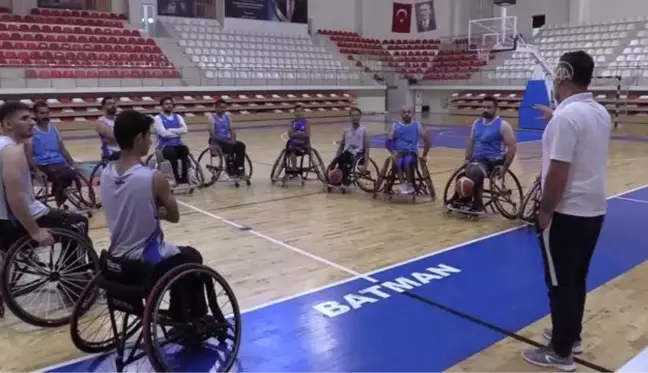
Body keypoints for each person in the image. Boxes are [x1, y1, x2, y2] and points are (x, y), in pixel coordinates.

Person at [522, 51, 611, 372]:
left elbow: (559, 170)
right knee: (576, 278)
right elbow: (576, 131)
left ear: (562, 74)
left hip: (566, 212)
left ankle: (560, 353)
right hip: (594, 211)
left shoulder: (565, 119)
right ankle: (570, 335)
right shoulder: (599, 113)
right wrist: (555, 118)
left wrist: (545, 211)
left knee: (559, 283)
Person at [100, 109, 208, 321]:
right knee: (191, 257)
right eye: (149, 135)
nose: (151, 141)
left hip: (116, 257)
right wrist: (157, 212)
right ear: (138, 138)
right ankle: (188, 318)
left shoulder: (105, 172)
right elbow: (174, 216)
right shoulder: (153, 177)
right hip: (144, 261)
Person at [0, 101, 90, 306]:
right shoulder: (11, 151)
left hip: (4, 220)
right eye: (24, 119)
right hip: (13, 224)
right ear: (7, 123)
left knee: (63, 216)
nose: (31, 122)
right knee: (79, 223)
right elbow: (15, 197)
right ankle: (74, 287)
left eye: (31, 118)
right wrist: (35, 231)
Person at [447, 96, 517, 213]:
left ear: (496, 108)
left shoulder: (502, 125)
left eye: (489, 107)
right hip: (477, 160)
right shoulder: (477, 123)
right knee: (461, 175)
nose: (485, 109)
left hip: (493, 161)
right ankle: (464, 198)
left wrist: (505, 167)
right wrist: (466, 158)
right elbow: (471, 141)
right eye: (484, 107)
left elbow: (512, 147)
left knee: (475, 172)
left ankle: (478, 204)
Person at [24, 102, 79, 208]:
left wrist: (72, 163)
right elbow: (28, 154)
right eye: (42, 113)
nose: (45, 116)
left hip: (58, 163)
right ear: (35, 115)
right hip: (42, 164)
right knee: (60, 174)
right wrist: (36, 171)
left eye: (47, 113)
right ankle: (59, 194)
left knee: (72, 173)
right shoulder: (31, 131)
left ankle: (58, 191)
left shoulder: (54, 129)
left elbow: (63, 149)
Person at [386, 105, 430, 194]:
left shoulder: (417, 125)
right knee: (398, 160)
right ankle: (403, 185)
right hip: (399, 152)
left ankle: (409, 184)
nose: (406, 114)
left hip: (412, 152)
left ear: (412, 113)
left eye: (409, 112)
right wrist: (393, 151)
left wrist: (424, 155)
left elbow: (428, 141)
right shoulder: (395, 126)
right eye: (404, 112)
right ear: (400, 114)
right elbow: (388, 142)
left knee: (407, 161)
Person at [153, 97, 190, 185]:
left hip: (177, 144)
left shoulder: (178, 117)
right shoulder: (157, 118)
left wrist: (170, 129)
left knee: (185, 150)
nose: (169, 105)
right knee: (172, 153)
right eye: (167, 104)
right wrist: (178, 133)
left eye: (170, 104)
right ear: (162, 106)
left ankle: (184, 179)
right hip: (163, 146)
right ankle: (175, 178)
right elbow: (164, 134)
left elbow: (184, 130)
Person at [330, 107, 369, 186]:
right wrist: (336, 156)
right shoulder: (346, 131)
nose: (355, 117)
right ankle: (336, 178)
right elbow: (341, 146)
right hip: (346, 154)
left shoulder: (364, 130)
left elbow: (367, 148)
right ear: (350, 117)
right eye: (353, 116)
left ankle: (342, 180)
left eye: (357, 115)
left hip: (357, 154)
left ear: (360, 116)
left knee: (344, 161)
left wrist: (365, 165)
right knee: (335, 163)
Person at [208, 99, 247, 179]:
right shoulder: (211, 118)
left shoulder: (227, 116)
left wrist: (233, 138)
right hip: (216, 141)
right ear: (216, 107)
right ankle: (231, 169)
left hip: (227, 140)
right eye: (221, 107)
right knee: (229, 146)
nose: (223, 109)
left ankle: (240, 169)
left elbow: (231, 129)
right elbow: (212, 134)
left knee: (241, 145)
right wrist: (225, 141)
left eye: (224, 108)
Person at [286, 104, 310, 175]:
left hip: (304, 145)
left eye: (300, 111)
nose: (299, 113)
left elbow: (307, 134)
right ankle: (294, 169)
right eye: (297, 111)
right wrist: (300, 133)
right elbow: (290, 135)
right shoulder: (292, 123)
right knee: (291, 149)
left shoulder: (306, 122)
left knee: (292, 147)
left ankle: (294, 169)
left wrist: (295, 133)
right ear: (294, 113)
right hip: (294, 145)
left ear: (303, 112)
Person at [95, 97, 120, 161]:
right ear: (103, 107)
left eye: (114, 103)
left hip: (122, 154)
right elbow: (113, 137)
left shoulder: (120, 119)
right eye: (109, 104)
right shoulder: (100, 122)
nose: (113, 106)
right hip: (110, 155)